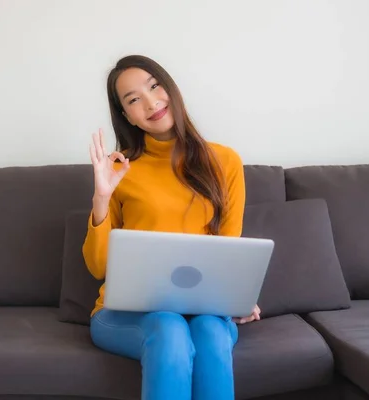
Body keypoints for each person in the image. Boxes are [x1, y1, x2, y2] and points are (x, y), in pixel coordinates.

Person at [83, 55, 261, 400]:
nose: (151, 103)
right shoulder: (121, 171)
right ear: (125, 116)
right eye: (134, 99)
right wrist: (102, 198)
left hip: (205, 312)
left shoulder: (224, 162)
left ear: (171, 88)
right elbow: (98, 267)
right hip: (124, 315)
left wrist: (236, 297)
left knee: (210, 331)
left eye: (154, 86)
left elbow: (228, 250)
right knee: (169, 327)